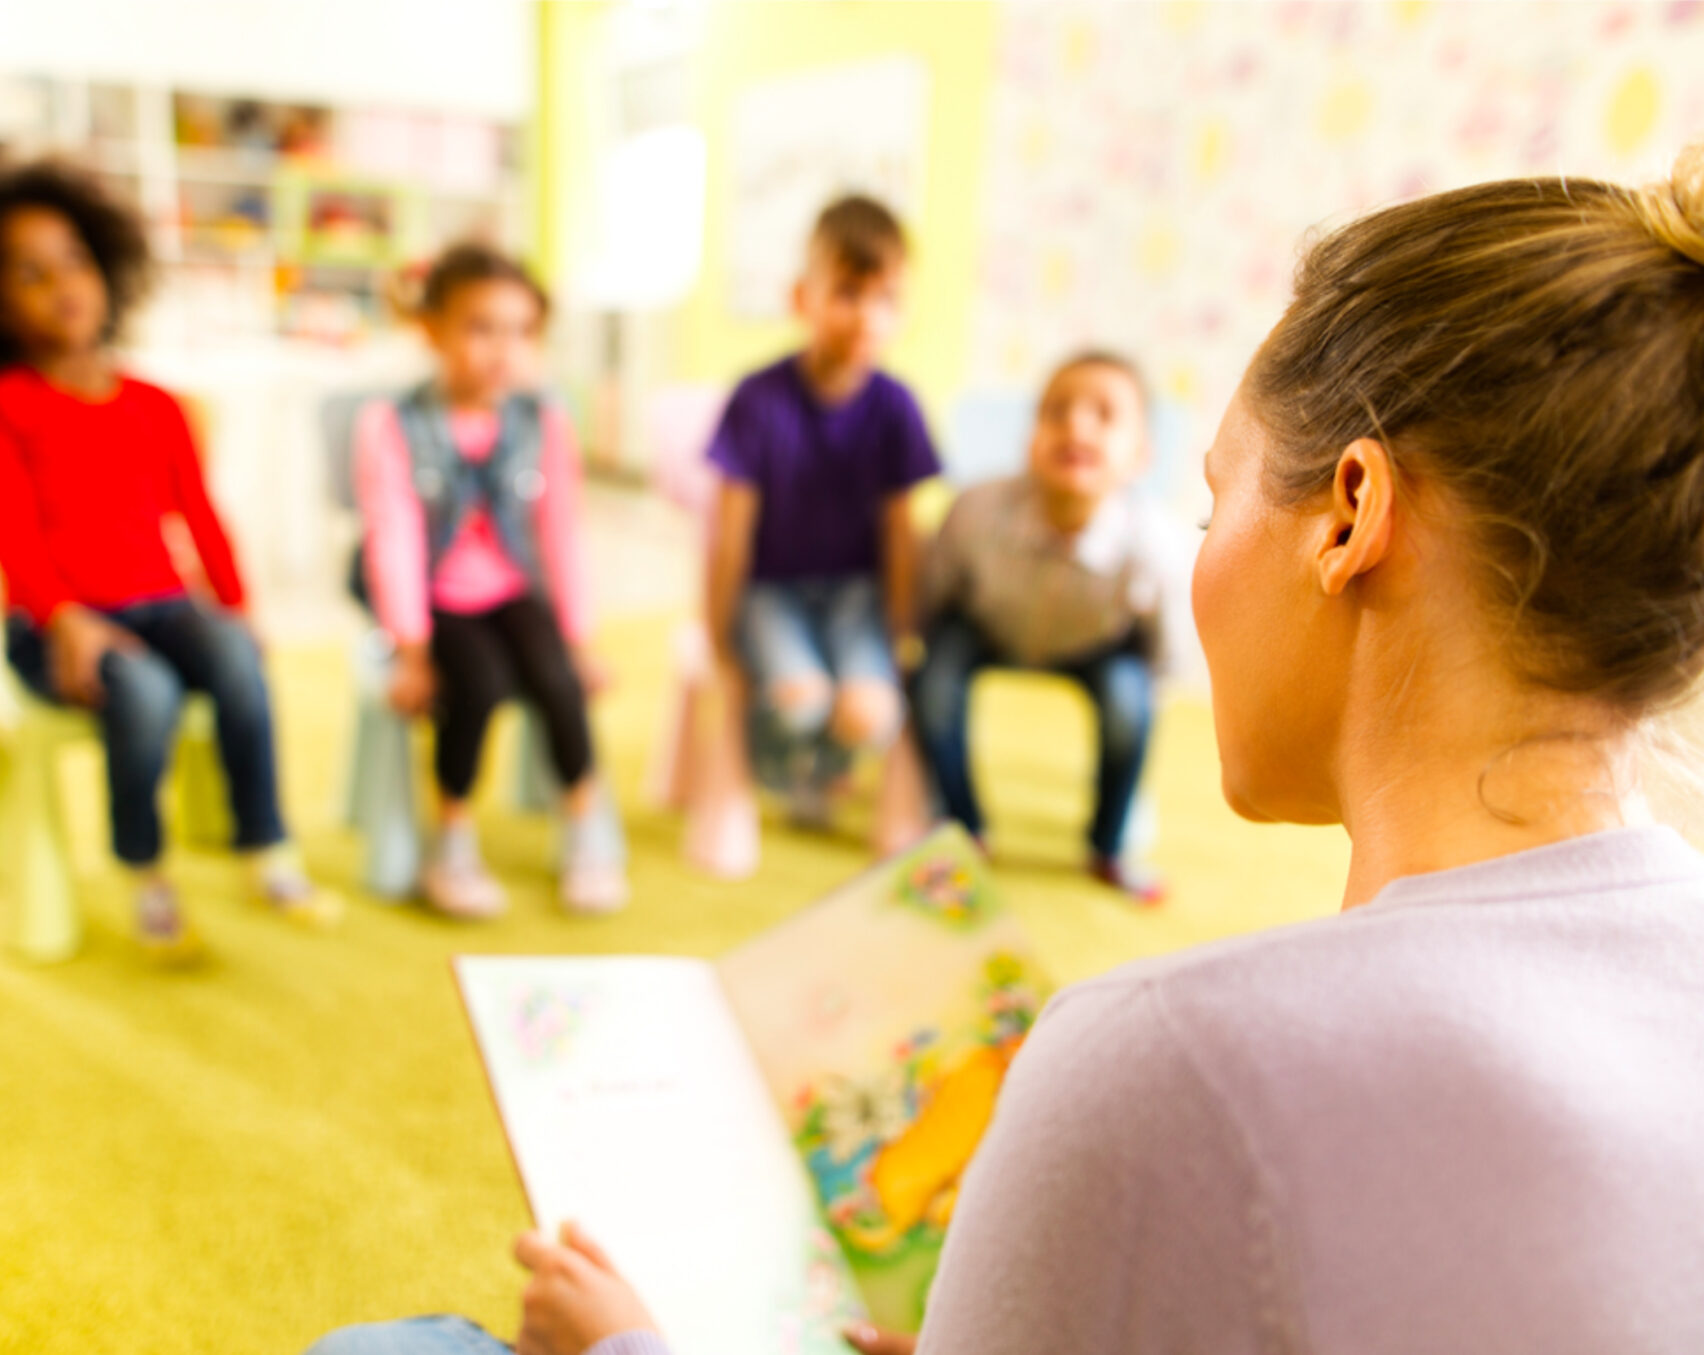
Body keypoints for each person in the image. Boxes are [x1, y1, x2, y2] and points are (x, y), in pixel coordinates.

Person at [304, 144, 1704, 1355]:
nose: (1200, 550)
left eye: (1210, 496)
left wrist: (632, 1337)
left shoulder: (1161, 1058)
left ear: (1347, 514)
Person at [0, 149, 338, 960]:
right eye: (31, 273)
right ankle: (147, 868)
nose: (64, 284)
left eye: (76, 261)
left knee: (237, 659)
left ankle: (263, 843)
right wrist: (65, 623)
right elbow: (10, 539)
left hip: (161, 601)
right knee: (147, 691)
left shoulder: (155, 405)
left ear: (108, 269)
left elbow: (202, 517)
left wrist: (238, 608)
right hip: (50, 621)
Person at [353, 244, 624, 920]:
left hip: (510, 585)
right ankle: (452, 836)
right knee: (475, 684)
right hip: (433, 596)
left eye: (521, 331)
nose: (503, 349)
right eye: (481, 327)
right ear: (432, 329)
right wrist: (410, 650)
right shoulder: (392, 423)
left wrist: (580, 637)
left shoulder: (545, 418)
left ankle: (584, 825)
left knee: (559, 679)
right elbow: (394, 539)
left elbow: (561, 532)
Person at [703, 195, 941, 826]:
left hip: (855, 597)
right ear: (801, 298)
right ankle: (782, 770)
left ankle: (824, 771)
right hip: (770, 594)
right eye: (847, 292)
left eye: (886, 298)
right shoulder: (757, 399)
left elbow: (900, 532)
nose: (866, 315)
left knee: (873, 712)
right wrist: (718, 632)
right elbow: (729, 533)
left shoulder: (896, 408)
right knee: (799, 702)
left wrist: (900, 631)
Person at [911, 352, 1183, 902]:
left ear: (1140, 457)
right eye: (1056, 411)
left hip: (1093, 645)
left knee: (1131, 706)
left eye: (1104, 415)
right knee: (932, 678)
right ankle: (964, 826)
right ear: (1029, 436)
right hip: (991, 627)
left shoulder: (1151, 543)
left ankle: (1108, 843)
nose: (1076, 425)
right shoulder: (976, 510)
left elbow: (1164, 644)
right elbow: (936, 591)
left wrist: (1154, 687)